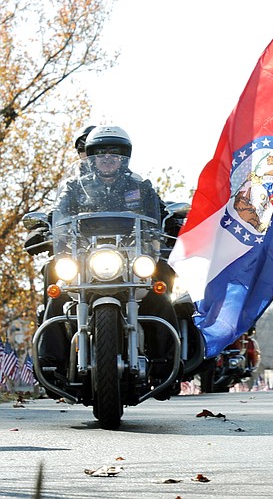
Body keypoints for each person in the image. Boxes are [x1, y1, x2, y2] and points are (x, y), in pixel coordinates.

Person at [40, 125, 180, 398]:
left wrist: (173, 223)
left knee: (161, 288)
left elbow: (160, 214)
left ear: (124, 157)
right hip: (86, 258)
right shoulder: (75, 187)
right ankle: (50, 365)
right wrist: (47, 228)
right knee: (57, 292)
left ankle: (166, 365)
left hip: (129, 256)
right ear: (90, 156)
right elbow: (58, 215)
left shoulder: (140, 186)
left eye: (114, 153)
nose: (107, 157)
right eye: (100, 152)